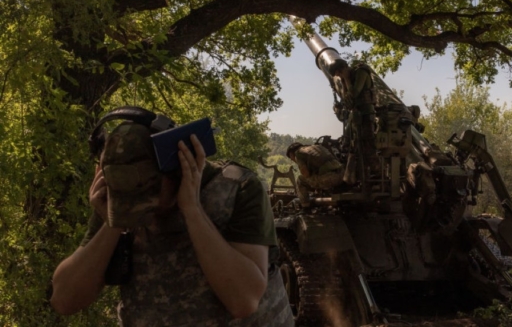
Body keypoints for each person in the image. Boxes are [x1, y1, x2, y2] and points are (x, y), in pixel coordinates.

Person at [50, 118, 293, 326]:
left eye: (147, 195)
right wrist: (113, 222)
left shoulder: (238, 188)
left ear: (179, 167)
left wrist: (192, 210)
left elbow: (244, 300)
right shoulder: (119, 201)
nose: (140, 209)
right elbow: (64, 299)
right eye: (127, 197)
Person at [286, 142, 344, 209]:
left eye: (291, 158)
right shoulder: (317, 147)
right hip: (341, 175)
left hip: (329, 178)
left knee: (300, 180)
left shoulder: (298, 153)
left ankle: (305, 207)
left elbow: (306, 174)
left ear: (291, 154)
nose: (292, 160)